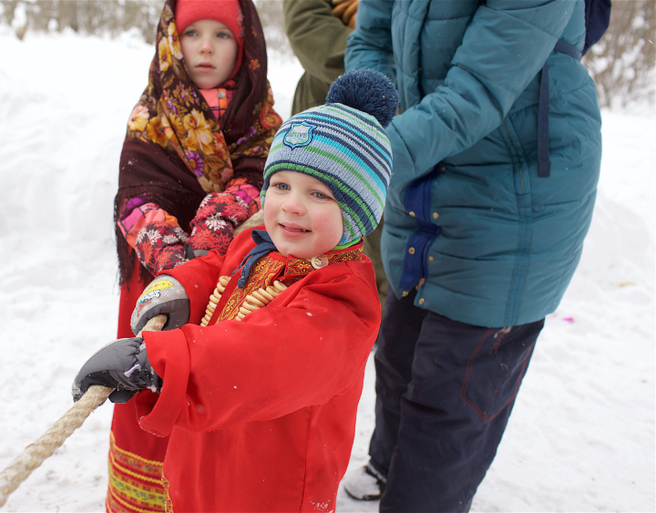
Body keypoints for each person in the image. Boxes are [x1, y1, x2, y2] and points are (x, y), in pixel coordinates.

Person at [74, 69, 400, 512]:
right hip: (203, 461)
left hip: (267, 490)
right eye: (281, 185)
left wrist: (160, 363)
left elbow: (265, 355)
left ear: (358, 213)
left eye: (319, 195)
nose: (292, 205)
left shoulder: (343, 302)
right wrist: (182, 288)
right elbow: (218, 270)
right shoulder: (257, 245)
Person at [341, 1, 602, 511]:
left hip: (514, 193)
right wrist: (369, 123)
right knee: (399, 348)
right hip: (422, 175)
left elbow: (475, 92)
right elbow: (371, 38)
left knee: (454, 386)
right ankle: (388, 463)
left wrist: (361, 160)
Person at [108, 0, 282, 510]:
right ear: (172, 41)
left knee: (215, 395)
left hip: (235, 282)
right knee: (149, 390)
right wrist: (177, 262)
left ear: (246, 46)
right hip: (157, 280)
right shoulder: (152, 114)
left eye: (222, 35)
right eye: (192, 34)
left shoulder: (263, 119)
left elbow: (266, 182)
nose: (206, 47)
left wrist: (219, 224)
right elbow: (134, 199)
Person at [282, 0, 389, 311]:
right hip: (326, 113)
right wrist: (382, 60)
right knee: (321, 233)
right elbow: (306, 25)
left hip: (415, 113)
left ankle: (373, 316)